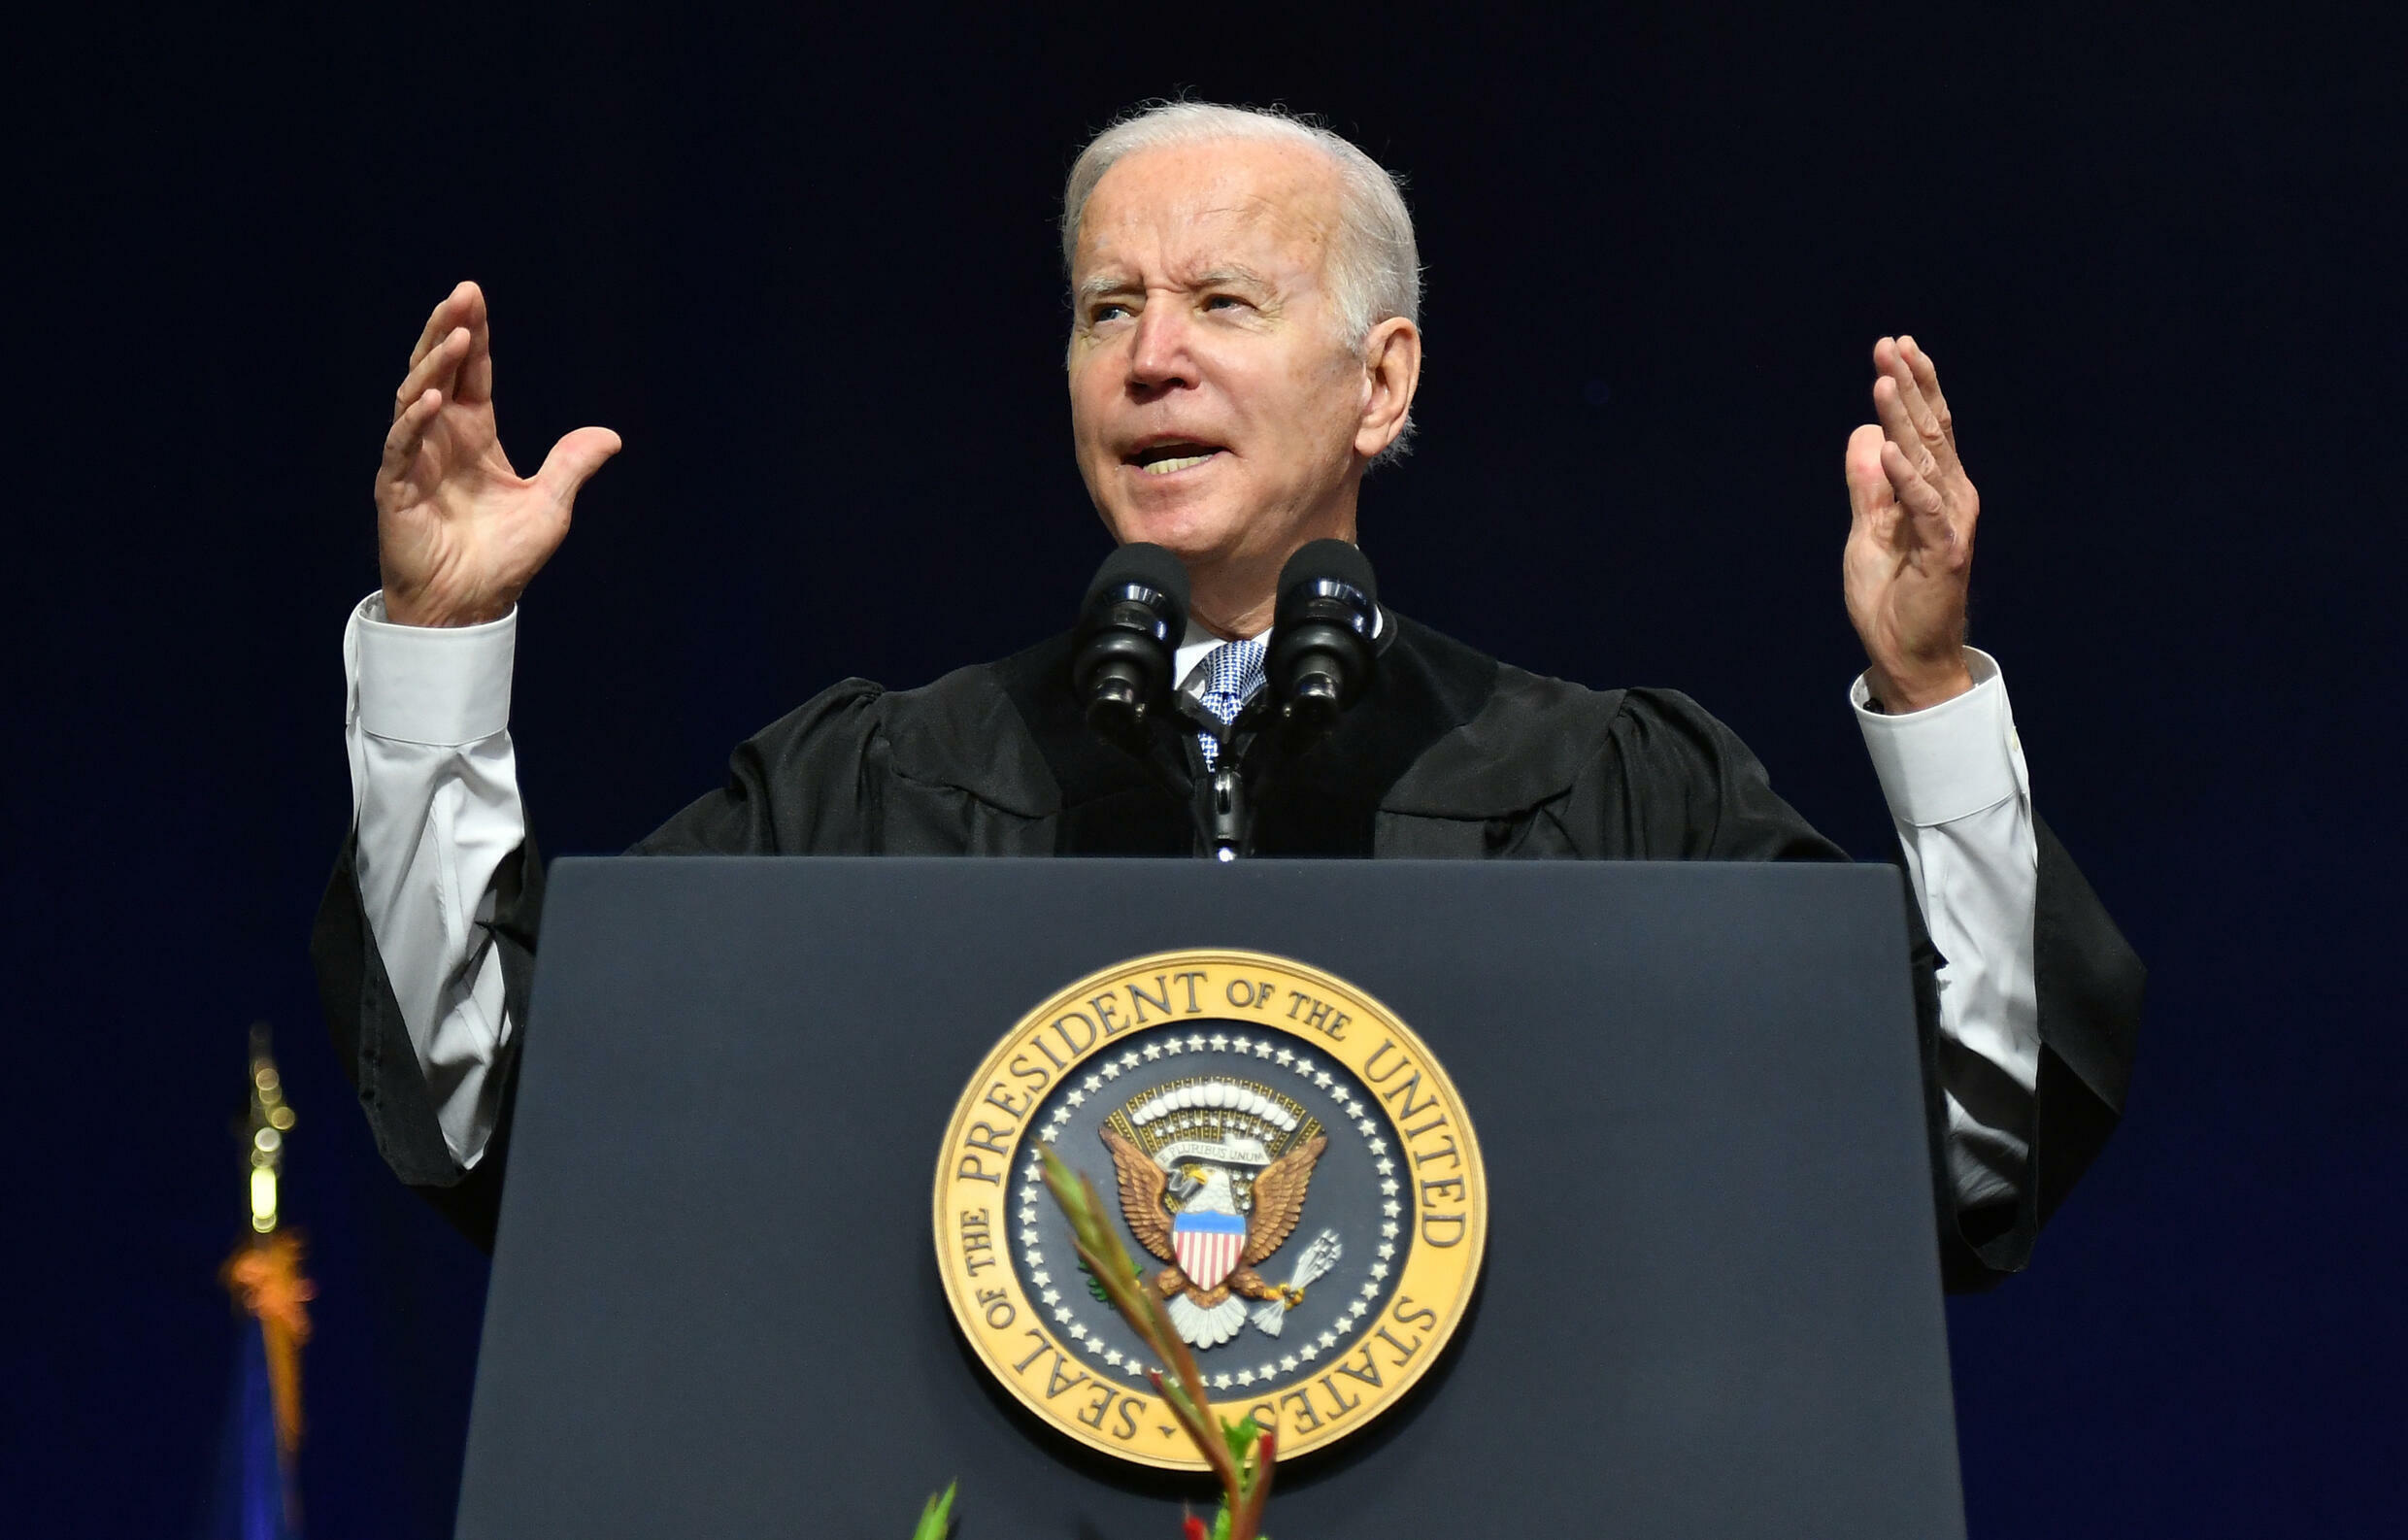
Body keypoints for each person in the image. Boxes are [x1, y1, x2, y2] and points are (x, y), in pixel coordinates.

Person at [314, 102, 2142, 1290]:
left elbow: (1963, 1152)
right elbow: (499, 1116)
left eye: (1221, 303)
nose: (1151, 356)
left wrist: (1925, 688)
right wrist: (439, 650)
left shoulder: (1600, 787)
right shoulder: (874, 784)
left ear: (1381, 381)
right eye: (1106, 309)